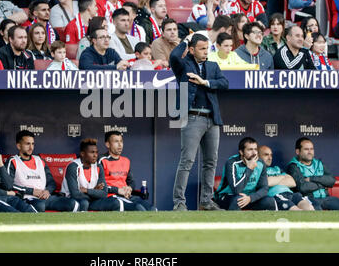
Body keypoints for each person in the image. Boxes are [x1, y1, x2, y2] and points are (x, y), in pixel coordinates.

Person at [170, 33, 229, 211]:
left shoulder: (213, 65)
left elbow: (224, 83)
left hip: (212, 118)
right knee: (187, 161)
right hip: (192, 117)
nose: (205, 52)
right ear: (192, 49)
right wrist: (186, 41)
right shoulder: (184, 64)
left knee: (211, 161)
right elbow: (173, 56)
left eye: (207, 48)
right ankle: (179, 202)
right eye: (202, 49)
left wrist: (205, 82)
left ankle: (206, 201)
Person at [6, 130, 80, 212]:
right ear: (19, 146)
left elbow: (51, 183)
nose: (31, 147)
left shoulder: (40, 160)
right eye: (27, 144)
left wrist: (47, 191)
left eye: (32, 144)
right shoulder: (13, 161)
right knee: (40, 206)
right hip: (26, 198)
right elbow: (9, 185)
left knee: (72, 204)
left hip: (45, 197)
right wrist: (31, 191)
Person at [287, 137, 339, 211]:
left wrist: (312, 179)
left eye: (311, 149)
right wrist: (323, 184)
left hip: (326, 198)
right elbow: (303, 187)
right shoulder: (293, 166)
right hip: (307, 199)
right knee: (318, 213)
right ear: (298, 151)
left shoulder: (319, 163)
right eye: (306, 149)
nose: (310, 152)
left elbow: (332, 181)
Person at [99, 131, 157, 211]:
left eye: (121, 141)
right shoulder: (102, 160)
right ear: (108, 144)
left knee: (152, 209)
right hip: (111, 197)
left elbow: (131, 182)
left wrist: (129, 188)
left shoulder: (126, 161)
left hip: (126, 196)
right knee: (139, 209)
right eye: (116, 141)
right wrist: (118, 190)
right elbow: (99, 186)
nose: (120, 145)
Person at [215, 137, 277, 211]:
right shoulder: (232, 163)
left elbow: (264, 188)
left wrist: (250, 198)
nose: (254, 153)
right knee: (238, 200)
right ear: (241, 152)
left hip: (248, 197)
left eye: (255, 149)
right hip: (228, 196)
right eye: (250, 150)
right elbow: (236, 190)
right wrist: (249, 169)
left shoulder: (260, 163)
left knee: (269, 201)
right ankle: (231, 222)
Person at [61, 138, 123, 212]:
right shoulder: (73, 166)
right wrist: (95, 192)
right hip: (72, 201)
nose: (95, 155)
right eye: (92, 152)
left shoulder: (98, 166)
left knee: (115, 202)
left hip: (91, 201)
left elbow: (104, 193)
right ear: (82, 154)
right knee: (84, 203)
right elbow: (75, 194)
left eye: (96, 152)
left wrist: (87, 190)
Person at [258, 145, 314, 211]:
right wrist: (282, 177)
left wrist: (274, 180)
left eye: (271, 155)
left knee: (310, 209)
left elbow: (293, 183)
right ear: (258, 156)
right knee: (297, 211)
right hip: (277, 195)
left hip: (291, 194)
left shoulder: (276, 169)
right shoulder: (258, 170)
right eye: (266, 155)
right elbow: (267, 182)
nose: (270, 158)